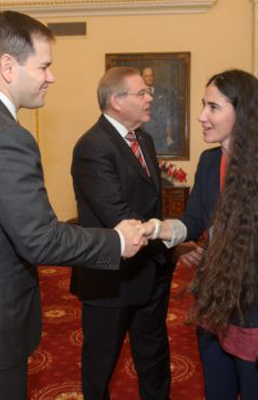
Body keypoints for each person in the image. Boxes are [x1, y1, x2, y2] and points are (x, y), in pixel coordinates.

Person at [0, 11, 148, 400]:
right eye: (44, 65)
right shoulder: (7, 137)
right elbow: (39, 239)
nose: (51, 77)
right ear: (8, 66)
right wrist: (116, 242)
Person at [143, 69, 258, 400]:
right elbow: (193, 220)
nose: (202, 116)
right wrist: (156, 229)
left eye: (213, 107)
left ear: (241, 113)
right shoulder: (210, 161)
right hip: (215, 303)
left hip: (257, 312)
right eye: (203, 105)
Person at [70, 67, 173, 400]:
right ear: (116, 100)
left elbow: (152, 204)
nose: (150, 98)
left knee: (153, 358)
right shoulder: (92, 146)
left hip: (151, 271)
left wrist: (167, 246)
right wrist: (164, 236)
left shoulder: (145, 139)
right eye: (142, 92)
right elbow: (117, 216)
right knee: (100, 367)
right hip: (110, 281)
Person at [141, 67, 179, 154]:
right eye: (147, 76)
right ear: (142, 77)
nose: (149, 78)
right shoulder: (138, 93)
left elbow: (167, 112)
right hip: (144, 133)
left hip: (161, 134)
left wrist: (169, 128)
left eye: (151, 75)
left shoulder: (162, 91)